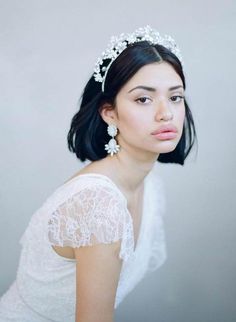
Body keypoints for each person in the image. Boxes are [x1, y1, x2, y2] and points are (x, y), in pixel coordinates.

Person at [0, 26, 197, 322]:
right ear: (109, 112)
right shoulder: (98, 205)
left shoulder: (150, 185)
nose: (165, 113)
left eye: (175, 97)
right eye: (144, 99)